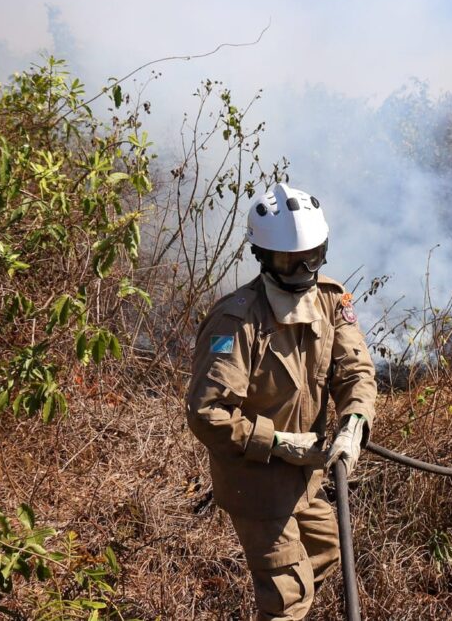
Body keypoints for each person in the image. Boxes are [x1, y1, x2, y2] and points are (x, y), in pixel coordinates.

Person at [186, 182, 377, 621]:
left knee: (327, 553)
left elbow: (356, 370)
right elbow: (205, 412)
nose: (303, 269)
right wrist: (276, 441)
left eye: (312, 256)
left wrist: (355, 421)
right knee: (288, 599)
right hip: (255, 485)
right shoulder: (237, 320)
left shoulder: (330, 299)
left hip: (306, 479)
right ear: (264, 258)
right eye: (290, 260)